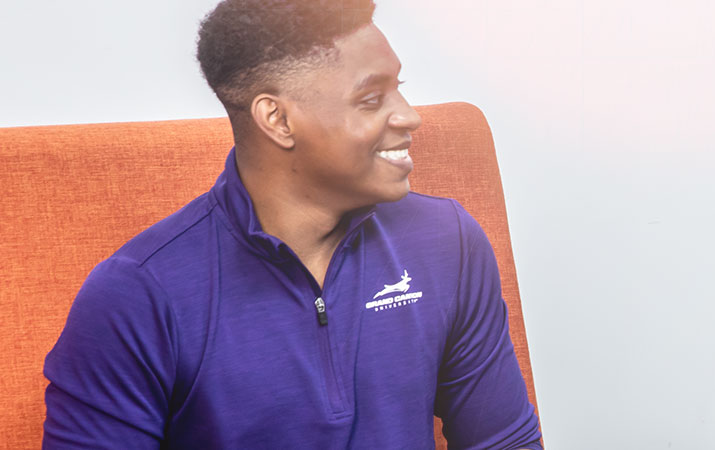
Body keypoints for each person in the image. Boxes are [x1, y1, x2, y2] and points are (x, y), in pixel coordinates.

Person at [41, 0, 543, 448]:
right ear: (277, 120)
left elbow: (503, 441)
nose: (409, 116)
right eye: (372, 100)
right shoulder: (137, 295)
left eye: (399, 90)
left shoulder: (446, 241)